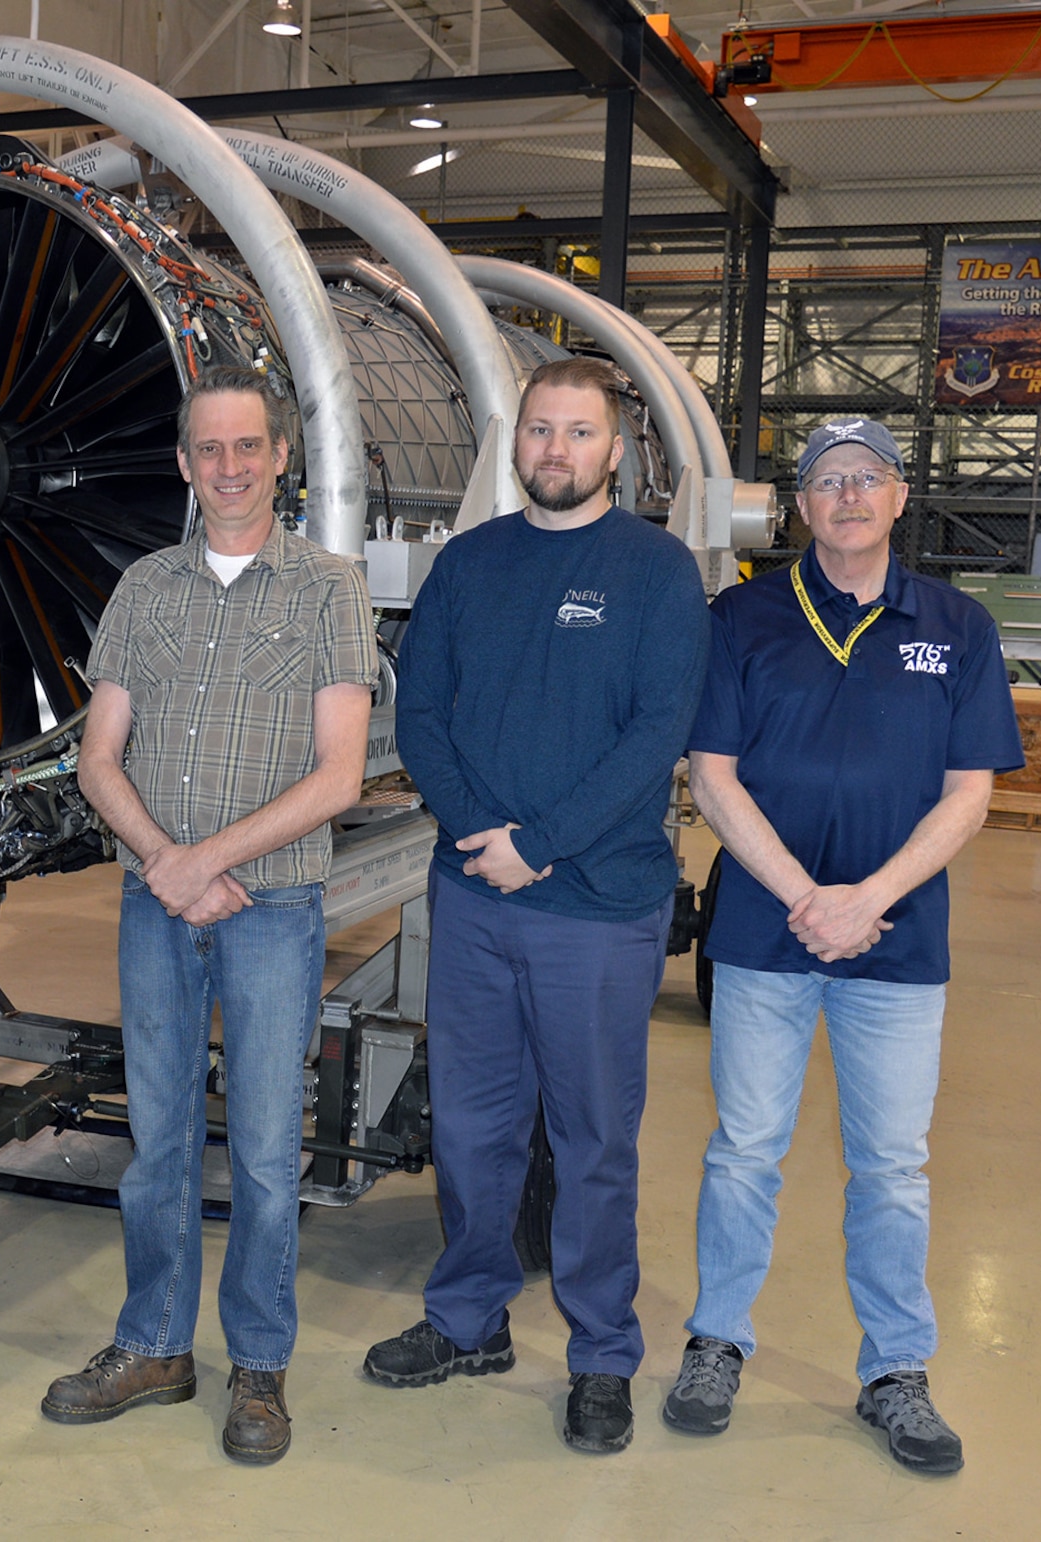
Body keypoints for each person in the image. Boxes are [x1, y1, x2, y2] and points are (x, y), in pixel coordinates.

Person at [661, 420, 1021, 1474]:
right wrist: (804, 899)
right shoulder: (742, 617)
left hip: (897, 947)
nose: (849, 496)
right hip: (764, 941)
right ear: (798, 506)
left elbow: (970, 793)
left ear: (899, 497)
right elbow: (711, 774)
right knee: (742, 1153)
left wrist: (865, 898)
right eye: (827, 482)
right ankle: (716, 1340)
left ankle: (894, 1372)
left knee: (892, 1170)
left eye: (866, 479)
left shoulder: (955, 626)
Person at [365, 356, 710, 1454]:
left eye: (577, 432)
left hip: (597, 908)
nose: (554, 450)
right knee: (470, 1129)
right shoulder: (467, 566)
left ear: (615, 451)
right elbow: (419, 714)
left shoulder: (657, 571)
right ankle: (465, 1319)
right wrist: (482, 838)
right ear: (512, 444)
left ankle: (601, 1352)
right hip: (473, 899)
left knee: (592, 1139)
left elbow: (657, 734)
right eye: (537, 430)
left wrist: (542, 844)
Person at [40, 365, 378, 1465]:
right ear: (183, 465)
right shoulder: (144, 587)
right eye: (207, 451)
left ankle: (260, 1370)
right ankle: (153, 1346)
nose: (228, 469)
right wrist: (162, 863)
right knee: (158, 1143)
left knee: (270, 1153)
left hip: (272, 906)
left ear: (280, 456)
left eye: (247, 448)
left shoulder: (328, 587)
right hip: (154, 903)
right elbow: (98, 759)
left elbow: (337, 778)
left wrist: (205, 863)